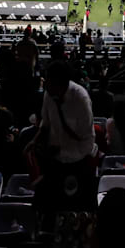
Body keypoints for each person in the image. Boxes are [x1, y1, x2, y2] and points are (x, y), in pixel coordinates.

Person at [28, 61, 96, 212]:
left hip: (79, 159)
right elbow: (45, 122)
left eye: (50, 82)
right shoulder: (49, 94)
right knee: (55, 205)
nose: (46, 86)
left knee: (78, 206)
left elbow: (83, 135)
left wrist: (64, 134)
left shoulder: (80, 99)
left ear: (61, 84)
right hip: (57, 158)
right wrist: (35, 140)